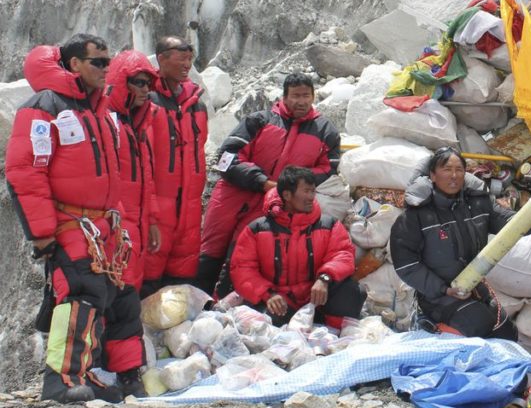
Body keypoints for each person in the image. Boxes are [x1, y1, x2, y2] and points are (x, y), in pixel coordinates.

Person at [5, 34, 135, 402]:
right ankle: (58, 380)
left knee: (101, 295)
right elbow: (25, 170)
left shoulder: (97, 109)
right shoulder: (45, 106)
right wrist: (43, 233)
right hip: (70, 223)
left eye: (108, 62)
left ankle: (82, 372)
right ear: (74, 64)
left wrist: (118, 221)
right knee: (79, 294)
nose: (106, 69)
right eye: (98, 62)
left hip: (99, 226)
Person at [199, 72, 341, 294]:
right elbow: (227, 156)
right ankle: (195, 302)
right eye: (295, 96)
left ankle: (224, 308)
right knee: (208, 252)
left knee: (241, 256)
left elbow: (328, 168)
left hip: (274, 204)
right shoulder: (259, 120)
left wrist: (290, 185)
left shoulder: (325, 132)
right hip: (231, 195)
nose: (301, 101)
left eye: (306, 95)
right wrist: (261, 181)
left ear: (313, 97)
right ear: (284, 97)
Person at [391, 147, 531, 340]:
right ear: (432, 175)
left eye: (459, 169)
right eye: (447, 169)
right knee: (480, 326)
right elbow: (407, 265)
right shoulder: (416, 216)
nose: (454, 175)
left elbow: (514, 226)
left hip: (473, 285)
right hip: (438, 297)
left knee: (507, 333)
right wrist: (444, 289)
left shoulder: (478, 204)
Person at [99, 50, 164, 396]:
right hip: (115, 227)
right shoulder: (107, 121)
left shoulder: (136, 126)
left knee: (126, 296)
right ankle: (106, 369)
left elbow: (146, 180)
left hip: (133, 227)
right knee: (112, 296)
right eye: (138, 83)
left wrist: (151, 219)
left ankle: (123, 371)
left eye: (148, 84)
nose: (145, 90)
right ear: (121, 83)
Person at [230, 166, 365, 328]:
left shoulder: (329, 225)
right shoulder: (257, 230)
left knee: (352, 290)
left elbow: (342, 254)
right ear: (287, 195)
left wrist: (324, 279)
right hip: (279, 302)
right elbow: (242, 268)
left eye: (313, 192)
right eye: (306, 191)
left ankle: (335, 335)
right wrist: (268, 294)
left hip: (317, 299)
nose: (311, 197)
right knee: (260, 327)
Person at [144, 36, 208, 295]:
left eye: (190, 59)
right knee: (147, 276)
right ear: (161, 58)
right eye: (181, 58)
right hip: (158, 206)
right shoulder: (146, 100)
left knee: (180, 282)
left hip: (190, 206)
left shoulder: (197, 105)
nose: (187, 65)